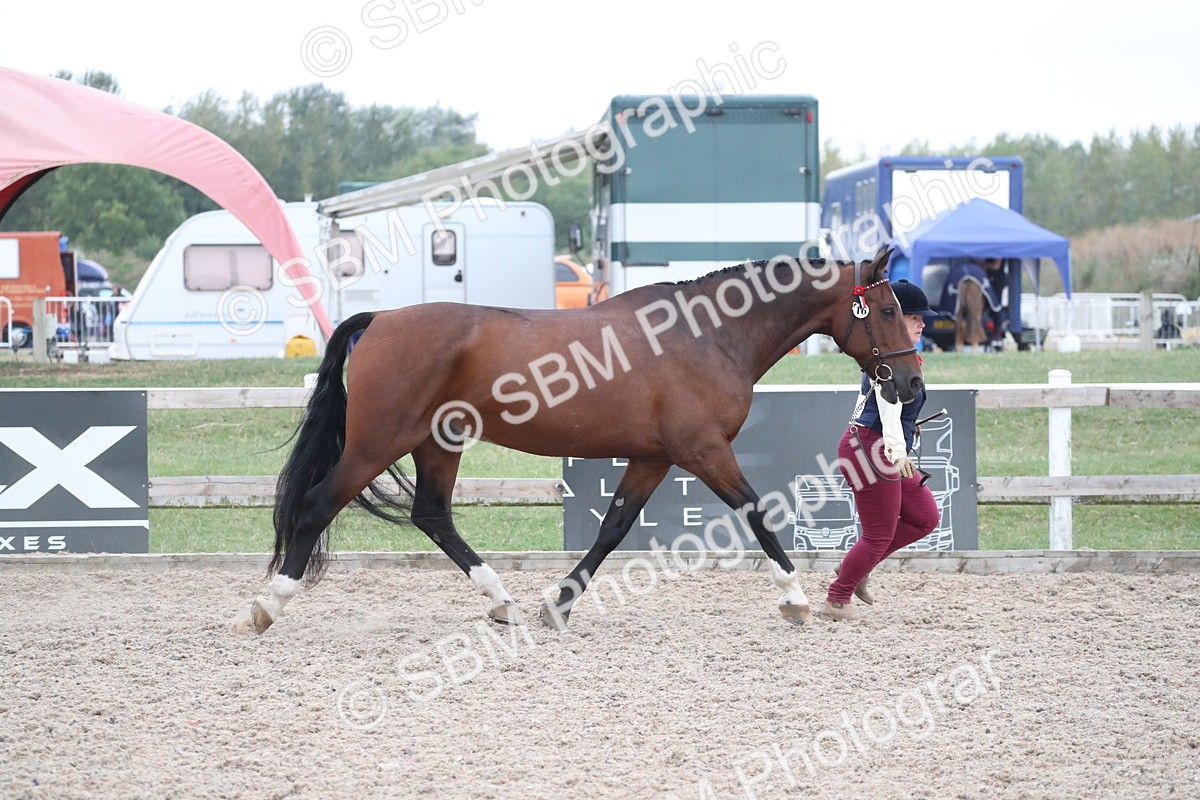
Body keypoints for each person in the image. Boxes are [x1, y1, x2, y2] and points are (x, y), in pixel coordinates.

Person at [821, 279, 941, 621]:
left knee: (925, 518)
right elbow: (889, 406)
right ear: (894, 318)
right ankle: (837, 599)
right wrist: (897, 449)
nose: (922, 323)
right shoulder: (886, 360)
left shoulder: (894, 358)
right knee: (878, 535)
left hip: (879, 446)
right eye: (915, 317)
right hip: (875, 448)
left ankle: (853, 571)